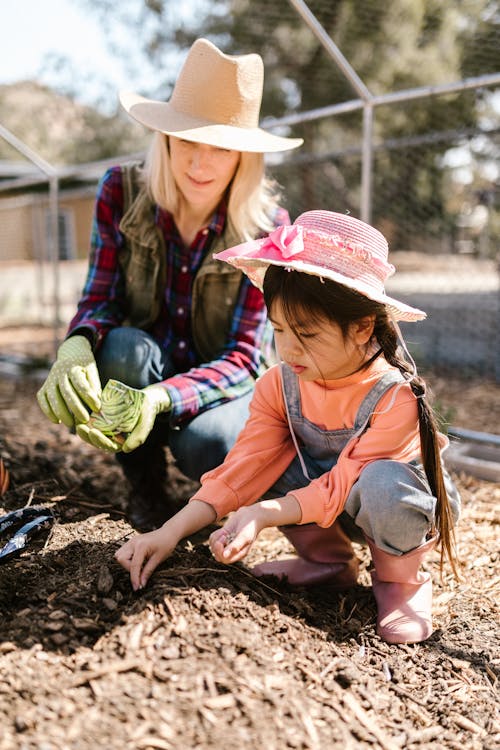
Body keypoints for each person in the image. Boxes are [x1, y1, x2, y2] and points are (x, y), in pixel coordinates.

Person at [115, 210, 462, 645]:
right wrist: (168, 532)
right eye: (279, 330)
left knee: (383, 482)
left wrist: (262, 513)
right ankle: (328, 562)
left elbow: (342, 485)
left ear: (361, 327)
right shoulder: (279, 385)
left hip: (392, 507)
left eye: (309, 334)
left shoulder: (395, 397)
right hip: (325, 502)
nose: (290, 348)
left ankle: (400, 583)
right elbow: (244, 467)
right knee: (267, 464)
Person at [36, 38, 303, 532]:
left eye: (220, 148)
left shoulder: (268, 229)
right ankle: (146, 487)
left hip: (217, 383)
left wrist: (160, 399)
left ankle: (208, 499)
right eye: (187, 142)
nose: (199, 166)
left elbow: (246, 357)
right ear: (164, 140)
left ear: (243, 158)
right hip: (143, 358)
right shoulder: (120, 190)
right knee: (120, 352)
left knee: (210, 444)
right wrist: (75, 344)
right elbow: (101, 298)